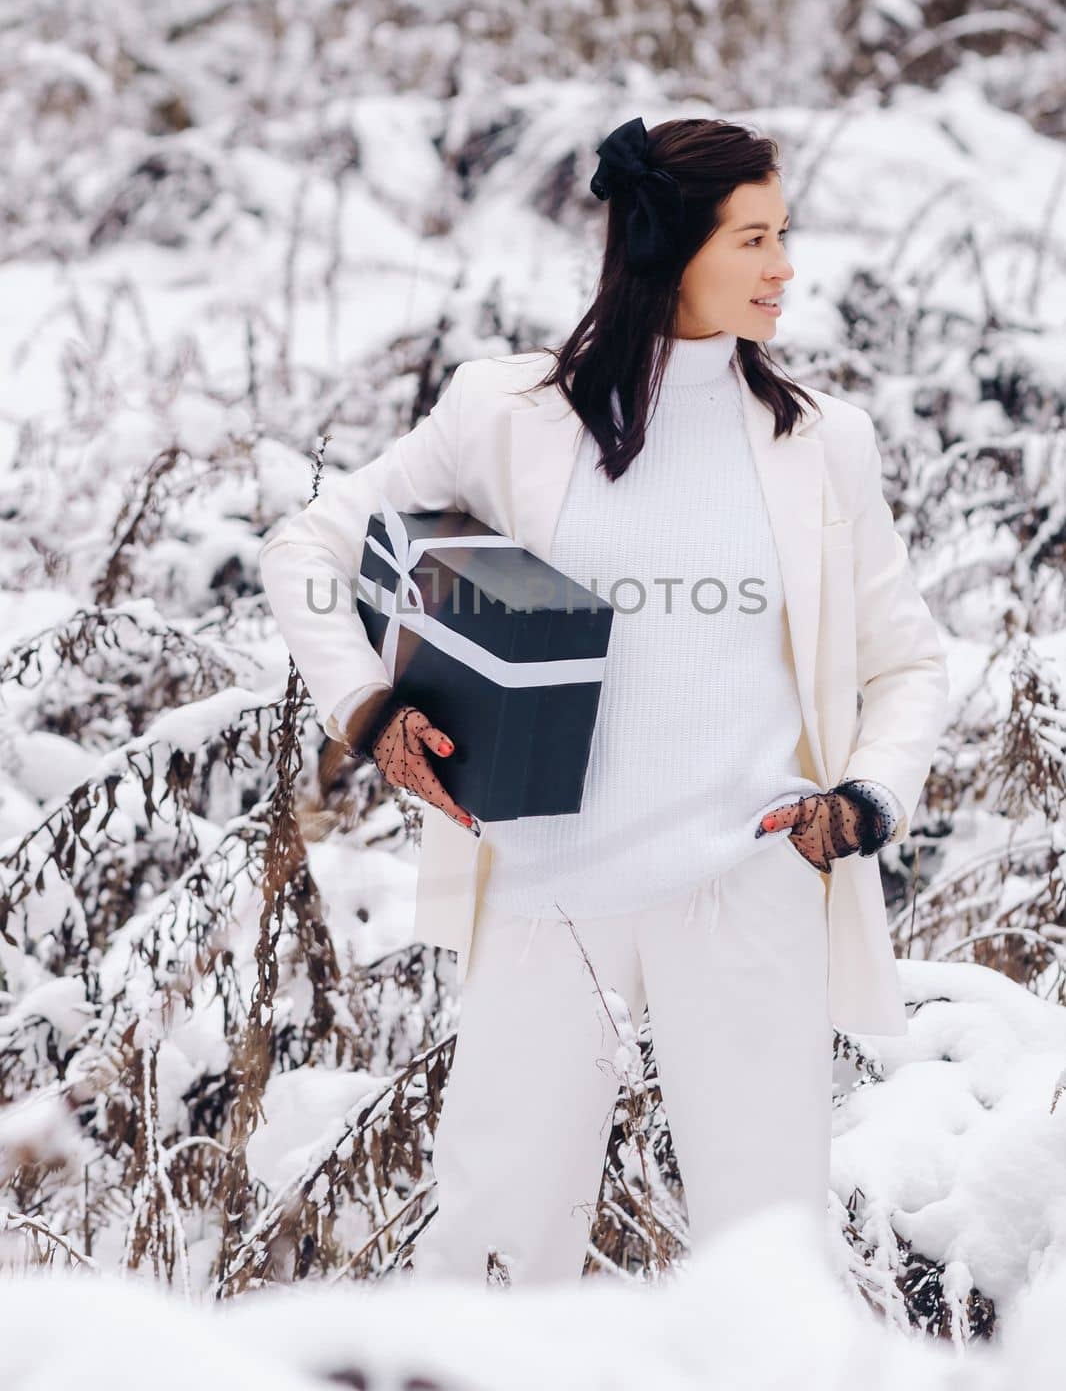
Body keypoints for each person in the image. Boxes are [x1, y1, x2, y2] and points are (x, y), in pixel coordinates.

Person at [258, 115, 951, 1286]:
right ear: (664, 243)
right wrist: (369, 712)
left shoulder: (822, 441)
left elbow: (909, 661)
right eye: (752, 238)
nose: (785, 267)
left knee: (766, 1259)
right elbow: (309, 545)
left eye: (784, 234)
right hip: (543, 884)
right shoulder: (508, 414)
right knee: (494, 1244)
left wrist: (864, 801)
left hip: (748, 876)